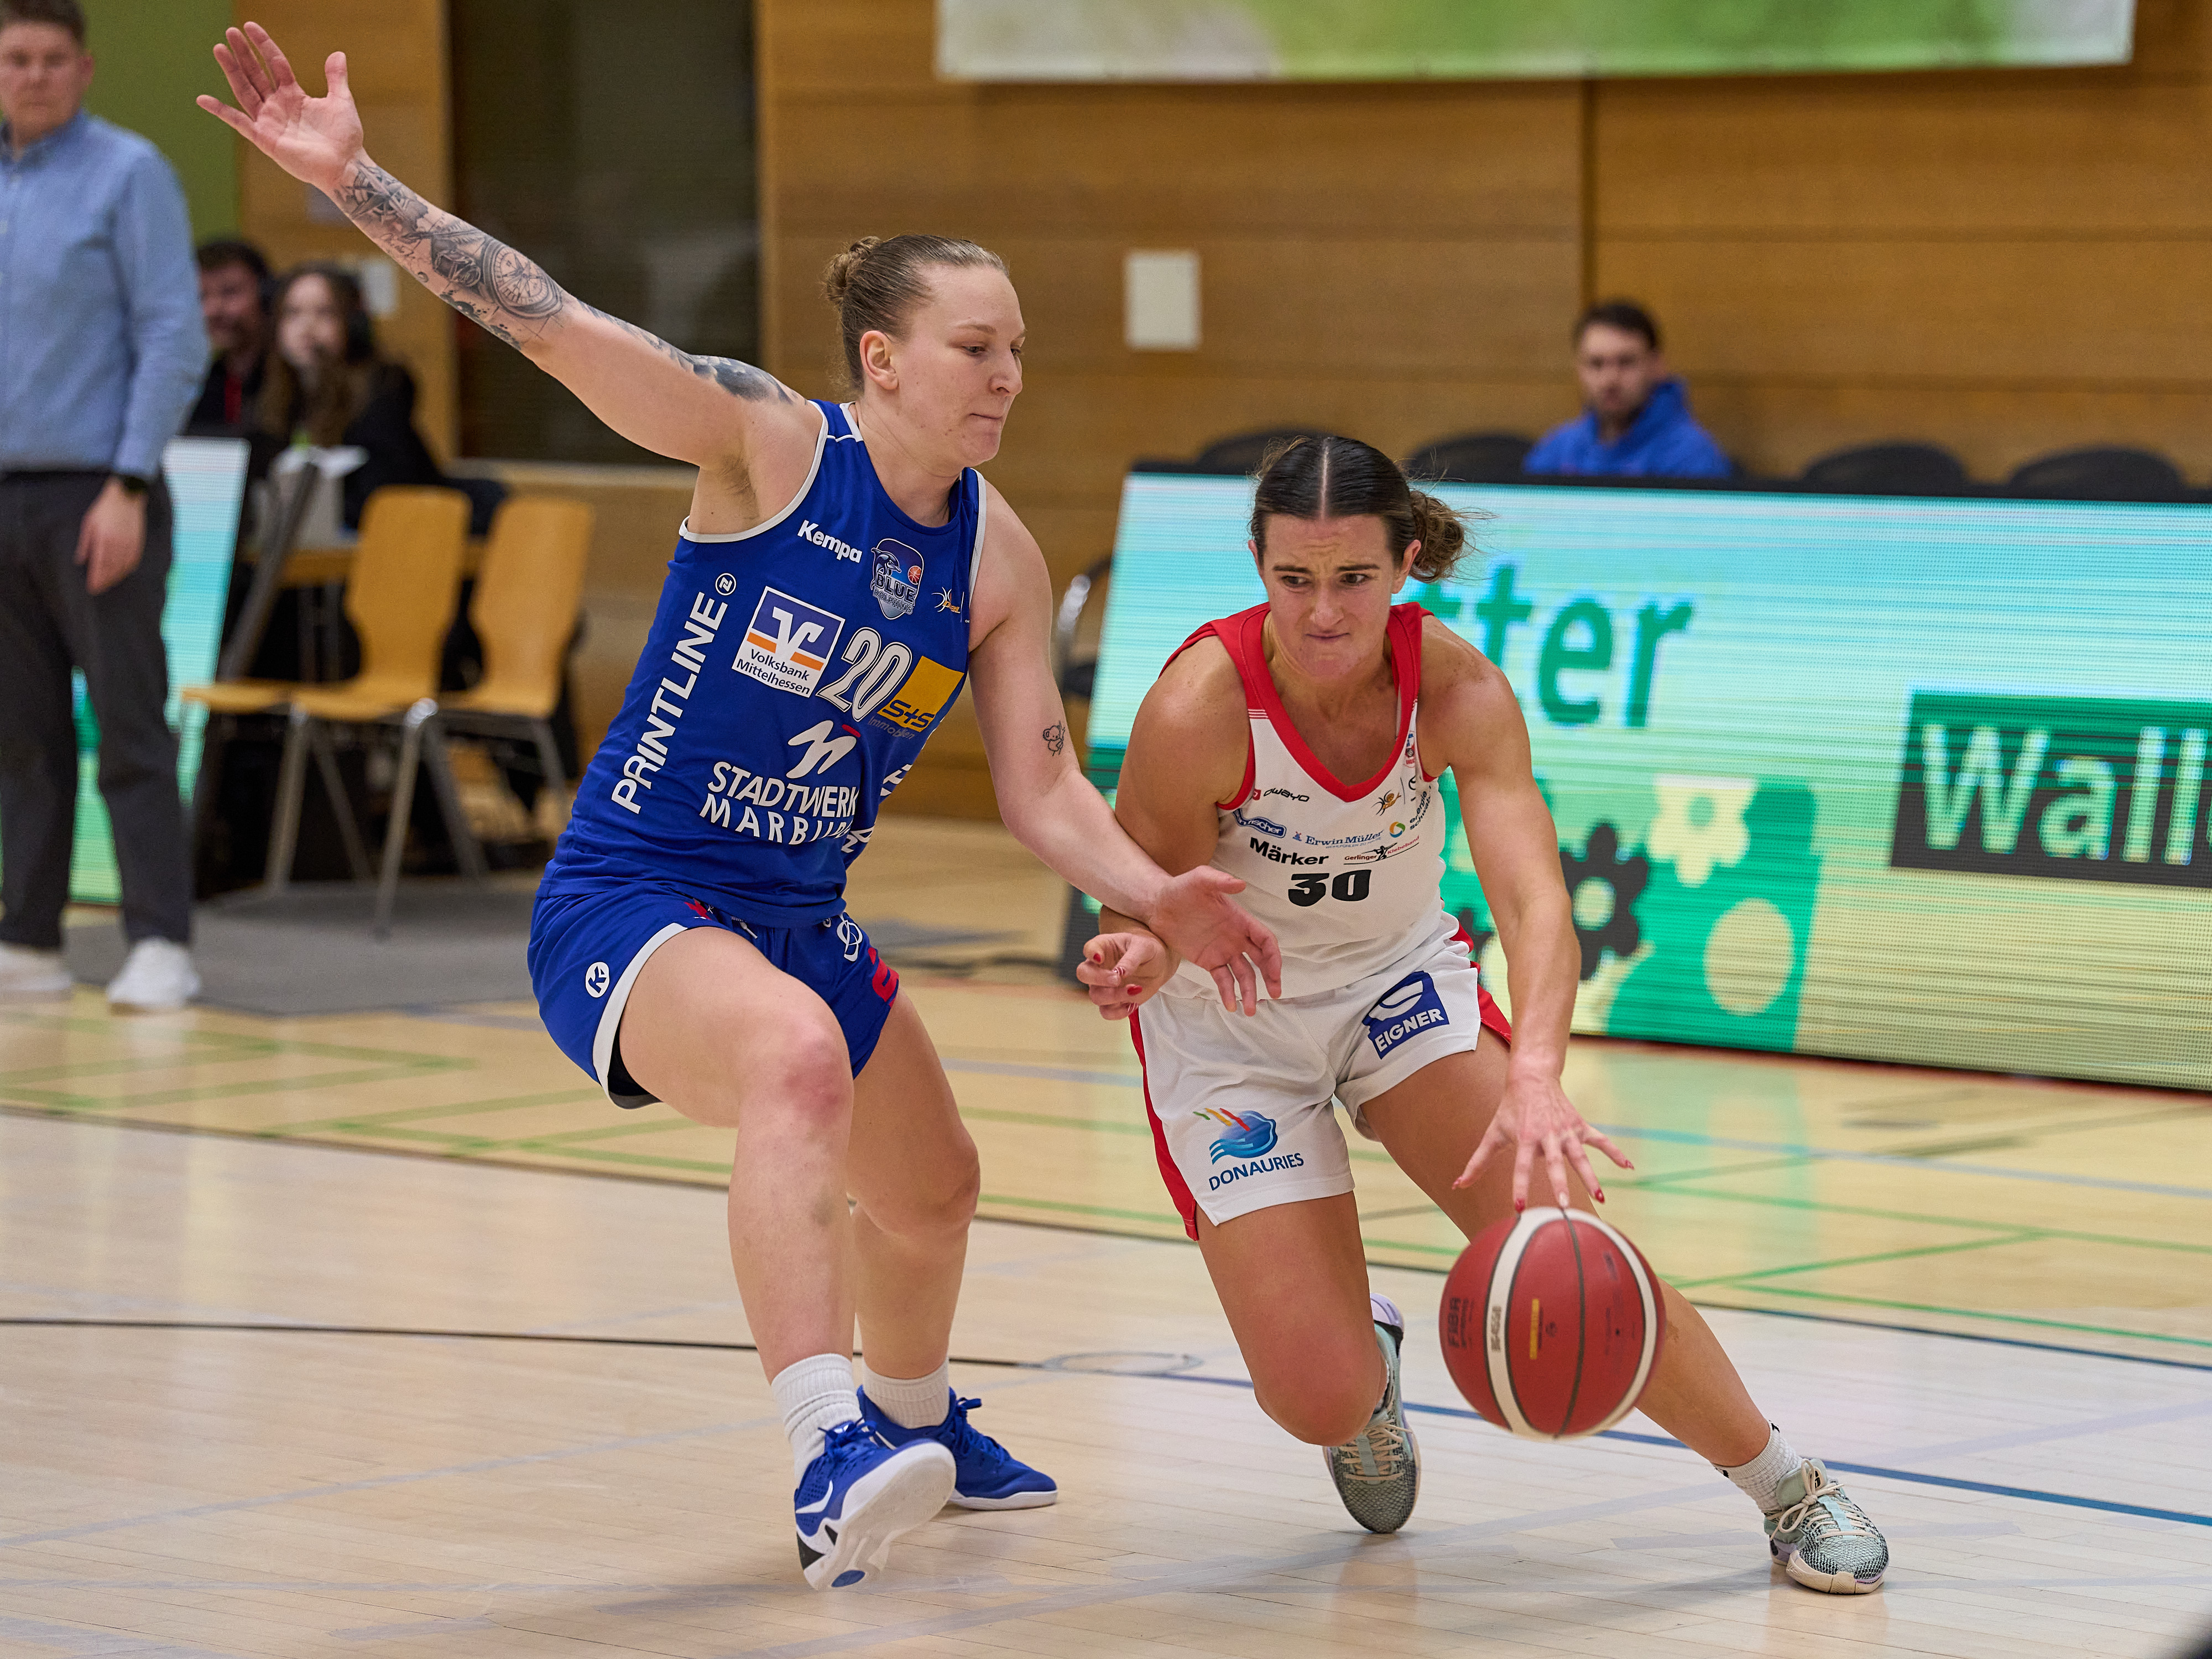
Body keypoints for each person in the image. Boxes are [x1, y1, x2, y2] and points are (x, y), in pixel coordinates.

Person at [201, 23, 1280, 1592]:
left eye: (1018, 349)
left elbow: (1043, 784)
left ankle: (916, 1415)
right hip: (636, 898)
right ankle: (827, 1447)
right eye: (975, 347)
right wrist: (358, 184)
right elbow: (546, 319)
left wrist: (1154, 890)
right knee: (792, 1060)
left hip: (797, 914)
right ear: (882, 361)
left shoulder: (996, 555)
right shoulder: (765, 443)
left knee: (937, 1188)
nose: (1006, 375)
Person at [1078, 435, 1890, 1595]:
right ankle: (1365, 1377)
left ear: (1404, 564)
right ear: (1256, 563)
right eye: (1293, 579)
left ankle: (1787, 1486)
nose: (1322, 612)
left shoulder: (1456, 689)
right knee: (1314, 1397)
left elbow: (1534, 902)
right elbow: (1144, 901)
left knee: (1571, 1248)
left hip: (1394, 987)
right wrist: (1137, 952)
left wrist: (1537, 1075)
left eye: (1352, 579)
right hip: (1231, 1018)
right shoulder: (1196, 706)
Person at [0, 0, 206, 1011]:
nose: (32, 75)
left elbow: (173, 334)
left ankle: (161, 938)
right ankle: (30, 939)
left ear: (83, 69)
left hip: (99, 491)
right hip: (5, 493)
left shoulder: (130, 173)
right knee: (20, 732)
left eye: (52, 59)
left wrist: (128, 483)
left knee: (126, 724)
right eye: (15, 58)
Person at [256, 262, 456, 530]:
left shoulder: (382, 392)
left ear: (351, 322)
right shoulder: (275, 395)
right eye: (292, 314)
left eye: (325, 313)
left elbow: (383, 496)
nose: (307, 327)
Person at [1523, 300, 1731, 480]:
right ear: (1579, 369)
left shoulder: (1691, 457)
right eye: (1596, 364)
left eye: (1626, 362)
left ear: (1656, 365)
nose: (1610, 380)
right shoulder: (1557, 450)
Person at [189, 237, 270, 435]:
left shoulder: (293, 381)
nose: (212, 310)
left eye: (230, 292)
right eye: (202, 296)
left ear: (267, 297)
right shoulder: (201, 383)